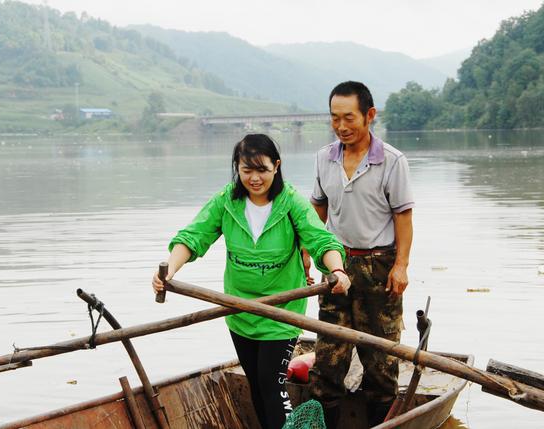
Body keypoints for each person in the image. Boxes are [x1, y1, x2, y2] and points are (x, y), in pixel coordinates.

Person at [152, 134, 350, 429]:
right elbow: (194, 236)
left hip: (281, 311)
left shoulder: (291, 202)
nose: (254, 178)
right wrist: (168, 272)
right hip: (239, 309)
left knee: (272, 385)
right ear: (237, 168)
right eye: (247, 170)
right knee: (257, 386)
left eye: (262, 170)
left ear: (276, 167)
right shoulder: (226, 201)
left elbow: (321, 240)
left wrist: (338, 271)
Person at [307, 81, 414, 428]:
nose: (341, 126)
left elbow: (403, 217)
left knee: (380, 360)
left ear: (369, 115)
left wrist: (401, 266)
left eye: (348, 117)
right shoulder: (324, 158)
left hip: (378, 266)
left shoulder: (392, 161)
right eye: (335, 118)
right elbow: (317, 211)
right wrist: (308, 252)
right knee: (328, 358)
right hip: (336, 264)